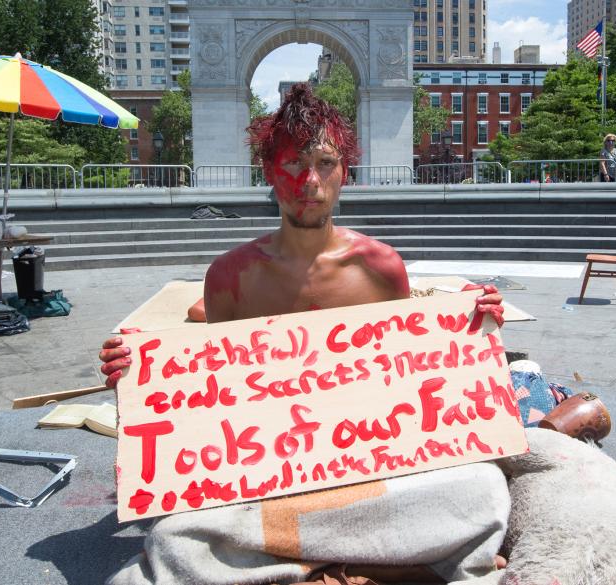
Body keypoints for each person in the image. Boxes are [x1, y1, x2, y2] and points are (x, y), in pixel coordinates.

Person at [100, 84, 509, 585]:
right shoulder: (231, 275)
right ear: (270, 172)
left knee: (483, 488)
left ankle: (293, 559)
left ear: (344, 173)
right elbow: (213, 405)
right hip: (267, 473)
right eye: (292, 164)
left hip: (372, 461)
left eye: (325, 163)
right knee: (172, 533)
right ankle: (375, 559)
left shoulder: (381, 267)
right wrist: (143, 380)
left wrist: (472, 333)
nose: (308, 180)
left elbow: (414, 376)